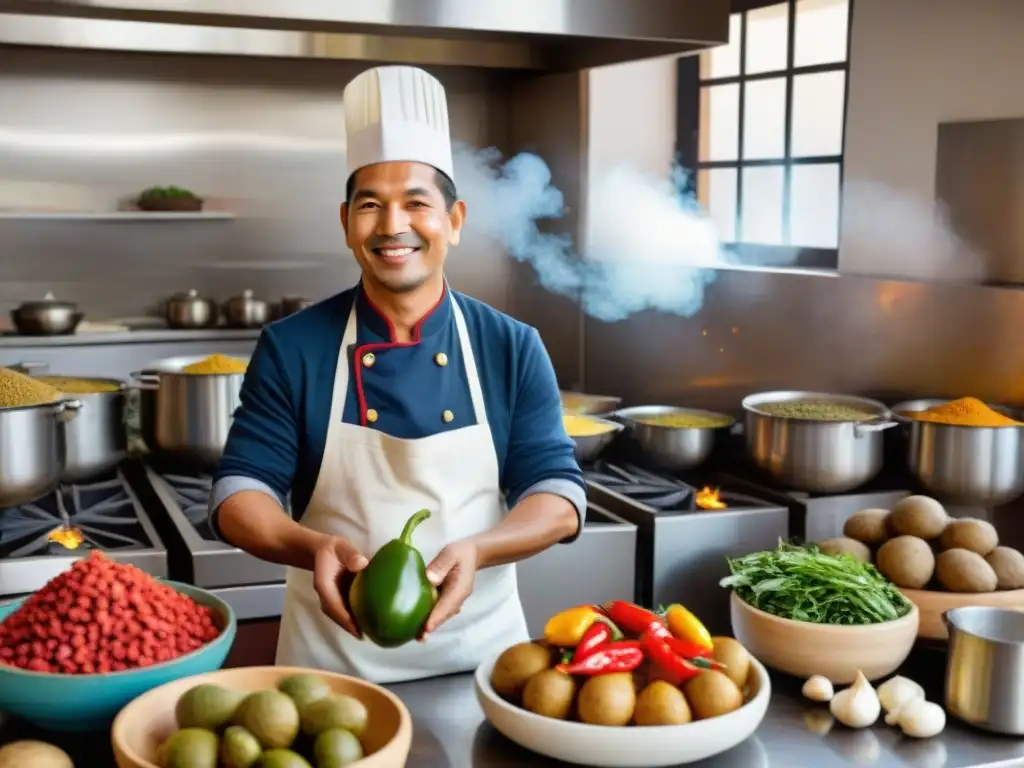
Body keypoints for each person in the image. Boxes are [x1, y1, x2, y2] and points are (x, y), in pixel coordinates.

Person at [210, 65, 585, 684]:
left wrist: (480, 548)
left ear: (455, 220)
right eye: (370, 206)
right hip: (327, 674)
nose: (392, 226)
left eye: (416, 203)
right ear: (345, 222)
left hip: (485, 669)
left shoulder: (511, 346)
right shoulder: (293, 346)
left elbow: (559, 496)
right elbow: (238, 495)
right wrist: (311, 546)